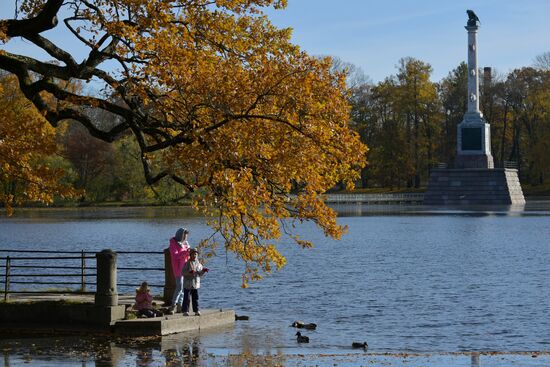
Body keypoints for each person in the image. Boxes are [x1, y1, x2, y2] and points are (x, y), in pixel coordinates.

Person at [181, 248, 209, 316]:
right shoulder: (187, 263)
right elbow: (183, 273)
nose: (195, 255)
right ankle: (185, 311)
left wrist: (203, 271)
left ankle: (196, 310)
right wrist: (189, 272)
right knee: (186, 298)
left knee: (195, 298)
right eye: (193, 254)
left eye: (196, 254)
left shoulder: (199, 264)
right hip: (188, 284)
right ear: (190, 255)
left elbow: (199, 274)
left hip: (195, 284)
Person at [169, 227, 190, 314]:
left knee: (183, 288)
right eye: (184, 235)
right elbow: (175, 256)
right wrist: (185, 252)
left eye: (186, 236)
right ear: (180, 235)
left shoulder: (186, 244)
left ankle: (179, 306)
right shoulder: (173, 243)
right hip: (178, 268)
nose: (185, 237)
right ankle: (172, 306)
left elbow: (188, 256)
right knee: (179, 287)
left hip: (185, 268)